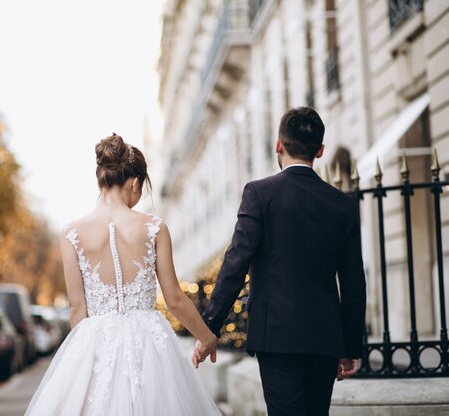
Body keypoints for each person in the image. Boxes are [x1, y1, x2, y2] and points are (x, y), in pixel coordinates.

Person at [24, 133, 221, 416]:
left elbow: (78, 308)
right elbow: (174, 298)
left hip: (96, 343)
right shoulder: (154, 227)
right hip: (150, 346)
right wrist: (206, 337)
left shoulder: (71, 233)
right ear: (135, 183)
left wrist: (81, 368)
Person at [193, 107, 367, 416]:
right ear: (320, 151)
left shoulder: (259, 194)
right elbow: (354, 280)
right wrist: (351, 346)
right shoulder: (343, 205)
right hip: (326, 339)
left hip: (277, 337)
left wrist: (210, 327)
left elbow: (236, 263)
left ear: (278, 145)